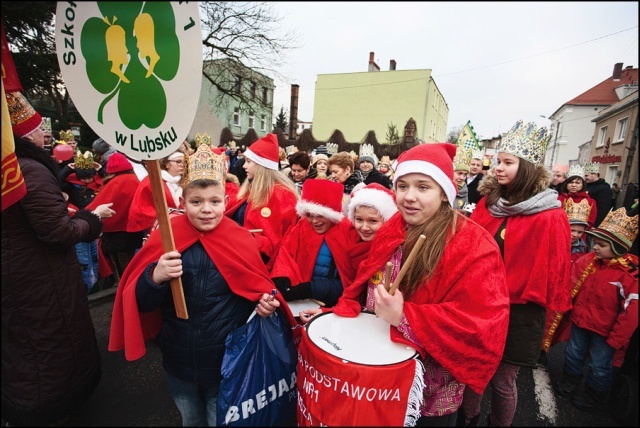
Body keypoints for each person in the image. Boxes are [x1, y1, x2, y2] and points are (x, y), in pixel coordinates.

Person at [107, 139, 296, 426]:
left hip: (223, 361)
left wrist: (264, 304)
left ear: (226, 201)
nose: (206, 209)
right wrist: (154, 277)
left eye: (214, 201)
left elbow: (255, 289)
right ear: (182, 203)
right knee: (190, 419)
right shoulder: (167, 237)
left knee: (218, 419)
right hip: (178, 358)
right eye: (196, 202)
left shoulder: (240, 239)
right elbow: (144, 302)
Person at [332, 142, 510, 427]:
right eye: (402, 186)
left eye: (423, 187)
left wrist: (405, 316)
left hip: (431, 388)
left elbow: (483, 325)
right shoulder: (394, 226)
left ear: (444, 193)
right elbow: (367, 275)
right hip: (382, 368)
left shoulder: (474, 245)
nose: (409, 197)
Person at [2, 90, 114, 427]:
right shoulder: (29, 171)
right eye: (37, 128)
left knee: (21, 344)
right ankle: (53, 406)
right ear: (22, 134)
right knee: (48, 342)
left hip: (19, 274)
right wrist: (93, 219)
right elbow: (58, 232)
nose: (44, 134)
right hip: (39, 279)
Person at [463, 120, 572, 427]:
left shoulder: (550, 215)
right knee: (474, 373)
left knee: (502, 381)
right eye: (497, 161)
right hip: (481, 305)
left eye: (507, 162)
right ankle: (468, 418)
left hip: (520, 313)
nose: (498, 168)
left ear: (526, 168)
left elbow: (557, 273)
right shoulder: (490, 203)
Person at [553, 207, 638, 411]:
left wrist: (617, 339)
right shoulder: (589, 262)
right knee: (574, 354)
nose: (595, 247)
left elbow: (632, 310)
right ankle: (570, 380)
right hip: (581, 322)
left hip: (606, 332)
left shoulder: (629, 275)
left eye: (601, 244)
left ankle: (595, 393)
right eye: (595, 243)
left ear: (618, 247)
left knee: (600, 365)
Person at [270, 179, 362, 309]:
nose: (314, 221)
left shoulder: (348, 231)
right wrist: (282, 277)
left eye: (320, 215)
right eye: (309, 215)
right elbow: (286, 254)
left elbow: (352, 281)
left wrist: (310, 289)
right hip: (303, 303)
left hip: (333, 304)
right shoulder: (302, 226)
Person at [225, 133, 299, 266]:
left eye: (248, 161)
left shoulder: (281, 195)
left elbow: (277, 242)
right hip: (241, 257)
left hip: (258, 264)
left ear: (261, 165)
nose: (243, 166)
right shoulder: (252, 190)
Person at [539, 198, 594, 365]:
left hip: (566, 291)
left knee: (557, 324)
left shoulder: (583, 248)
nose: (576, 235)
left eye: (580, 231)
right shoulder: (552, 241)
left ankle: (544, 350)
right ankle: (536, 349)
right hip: (547, 288)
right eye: (572, 229)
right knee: (541, 320)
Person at [86, 152, 144, 281]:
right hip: (136, 234)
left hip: (115, 238)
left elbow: (91, 209)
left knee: (123, 275)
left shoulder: (113, 184)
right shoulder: (136, 181)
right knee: (136, 271)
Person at [59, 149, 105, 292]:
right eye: (83, 178)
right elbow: (58, 181)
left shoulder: (98, 184)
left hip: (97, 223)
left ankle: (95, 282)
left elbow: (109, 179)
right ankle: (89, 285)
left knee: (95, 256)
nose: (87, 181)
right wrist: (67, 169)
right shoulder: (72, 186)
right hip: (80, 223)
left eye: (90, 177)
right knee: (84, 258)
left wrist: (101, 169)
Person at [128, 149, 186, 234]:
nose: (182, 165)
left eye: (185, 162)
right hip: (156, 228)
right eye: (178, 161)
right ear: (167, 164)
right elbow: (142, 208)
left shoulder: (185, 181)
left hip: (178, 226)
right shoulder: (153, 180)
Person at [557, 164, 597, 229]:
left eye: (577, 183)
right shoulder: (559, 199)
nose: (573, 185)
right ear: (566, 184)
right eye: (571, 182)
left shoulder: (590, 202)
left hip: (580, 233)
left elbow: (590, 221)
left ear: (582, 185)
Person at [327, 151, 364, 215]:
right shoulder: (333, 185)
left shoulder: (359, 189)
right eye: (331, 172)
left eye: (335, 172)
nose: (332, 175)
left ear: (347, 169)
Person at [584, 162, 612, 227]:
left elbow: (602, 209)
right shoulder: (585, 186)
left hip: (592, 222)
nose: (585, 178)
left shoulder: (604, 189)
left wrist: (594, 224)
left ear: (595, 174)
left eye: (586, 176)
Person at [453, 147, 472, 212]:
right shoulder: (441, 187)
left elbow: (467, 208)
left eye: (465, 175)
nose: (462, 178)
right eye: (459, 173)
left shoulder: (464, 189)